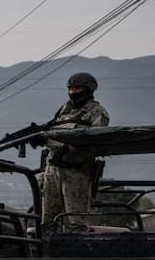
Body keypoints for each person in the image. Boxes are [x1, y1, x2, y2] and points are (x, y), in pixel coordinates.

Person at [40, 72, 110, 236]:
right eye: (70, 88)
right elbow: (53, 132)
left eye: (77, 88)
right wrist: (43, 139)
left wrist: (53, 141)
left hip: (76, 171)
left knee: (75, 222)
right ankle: (47, 256)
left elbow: (93, 141)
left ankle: (74, 257)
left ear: (88, 89)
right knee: (48, 221)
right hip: (53, 169)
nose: (73, 92)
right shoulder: (64, 111)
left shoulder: (97, 112)